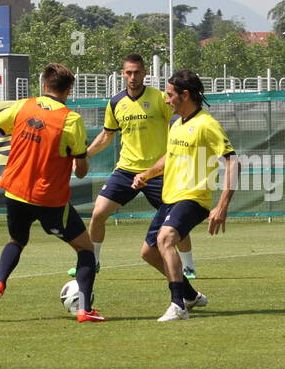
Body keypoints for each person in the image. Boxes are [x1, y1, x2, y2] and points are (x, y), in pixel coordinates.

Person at [0, 63, 104, 323]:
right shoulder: (70, 119)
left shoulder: (23, 106)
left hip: (15, 192)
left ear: (43, 85)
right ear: (69, 89)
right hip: (48, 198)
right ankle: (84, 309)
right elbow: (81, 171)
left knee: (16, 241)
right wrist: (79, 159)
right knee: (85, 249)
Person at [76, 53, 197, 278]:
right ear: (123, 74)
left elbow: (178, 121)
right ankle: (92, 262)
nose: (133, 76)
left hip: (158, 171)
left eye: (137, 72)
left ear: (144, 73)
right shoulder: (115, 103)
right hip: (126, 170)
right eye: (129, 72)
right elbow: (106, 135)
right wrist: (83, 155)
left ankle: (189, 265)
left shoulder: (161, 98)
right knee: (98, 213)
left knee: (175, 219)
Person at [131, 70, 237, 322]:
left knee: (166, 238)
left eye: (170, 95)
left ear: (184, 94)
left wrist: (222, 206)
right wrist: (147, 174)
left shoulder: (206, 124)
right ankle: (189, 295)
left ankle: (177, 305)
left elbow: (232, 161)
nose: (166, 100)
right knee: (148, 253)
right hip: (170, 198)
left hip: (194, 198)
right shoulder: (176, 124)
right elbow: (170, 157)